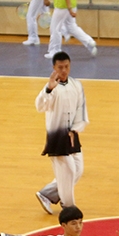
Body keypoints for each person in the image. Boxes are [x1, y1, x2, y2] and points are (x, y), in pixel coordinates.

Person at [35, 52, 88, 215]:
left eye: (66, 67)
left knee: (78, 169)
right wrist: (49, 89)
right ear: (54, 68)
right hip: (57, 137)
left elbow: (81, 109)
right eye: (60, 67)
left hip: (72, 135)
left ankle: (47, 194)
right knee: (68, 171)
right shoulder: (51, 88)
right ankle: (69, 207)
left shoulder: (77, 85)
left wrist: (76, 129)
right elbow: (40, 106)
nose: (64, 70)